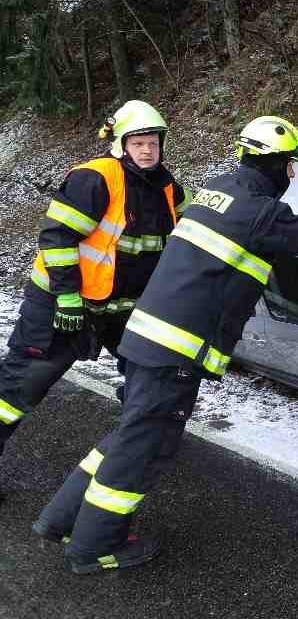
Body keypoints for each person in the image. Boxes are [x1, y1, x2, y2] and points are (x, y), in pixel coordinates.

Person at [34, 115, 298, 575]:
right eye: (290, 165)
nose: (292, 175)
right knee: (142, 450)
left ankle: (61, 519)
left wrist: (289, 237)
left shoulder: (220, 191)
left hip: (148, 338)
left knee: (127, 437)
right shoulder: (260, 212)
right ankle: (93, 548)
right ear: (273, 164)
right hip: (176, 353)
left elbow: (260, 243)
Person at [0, 100, 189, 505]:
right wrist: (67, 295)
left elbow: (193, 233)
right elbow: (57, 237)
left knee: (150, 377)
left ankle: (137, 447)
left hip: (122, 311)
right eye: (138, 142)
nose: (147, 150)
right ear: (121, 144)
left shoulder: (168, 188)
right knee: (18, 389)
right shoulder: (95, 178)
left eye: (154, 142)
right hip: (61, 306)